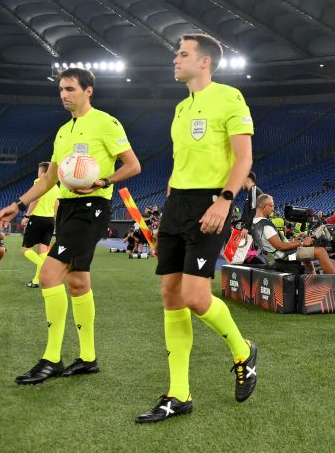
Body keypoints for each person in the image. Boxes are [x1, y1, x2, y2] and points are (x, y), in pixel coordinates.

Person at [136, 34, 258, 424]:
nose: (176, 59)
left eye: (183, 54)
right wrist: (167, 212)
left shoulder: (229, 97)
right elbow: (181, 162)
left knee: (194, 296)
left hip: (211, 203)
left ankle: (243, 351)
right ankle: (179, 394)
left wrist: (224, 200)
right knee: (170, 295)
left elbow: (243, 158)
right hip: (177, 205)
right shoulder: (180, 108)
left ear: (204, 61)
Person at [0, 67, 141, 385]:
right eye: (61, 89)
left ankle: (52, 359)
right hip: (67, 209)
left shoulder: (106, 123)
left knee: (49, 274)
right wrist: (17, 205)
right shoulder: (63, 132)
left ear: (88, 91)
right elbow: (49, 178)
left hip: (93, 207)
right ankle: (88, 358)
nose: (64, 94)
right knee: (77, 282)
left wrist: (103, 181)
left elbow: (133, 165)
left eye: (70, 89)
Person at [255, 194, 335, 273]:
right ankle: (334, 281)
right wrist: (301, 243)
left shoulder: (256, 223)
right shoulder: (266, 225)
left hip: (277, 255)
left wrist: (294, 241)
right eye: (271, 206)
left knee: (306, 252)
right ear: (264, 206)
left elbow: (276, 244)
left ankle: (312, 277)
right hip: (287, 256)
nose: (273, 209)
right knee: (321, 252)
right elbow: (281, 247)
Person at [21, 162, 60, 288]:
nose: (38, 173)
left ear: (44, 172)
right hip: (49, 220)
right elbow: (57, 205)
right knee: (43, 252)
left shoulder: (39, 181)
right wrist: (54, 220)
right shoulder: (56, 186)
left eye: (39, 170)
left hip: (37, 218)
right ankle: (36, 281)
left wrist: (26, 216)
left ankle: (46, 268)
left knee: (26, 249)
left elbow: (35, 199)